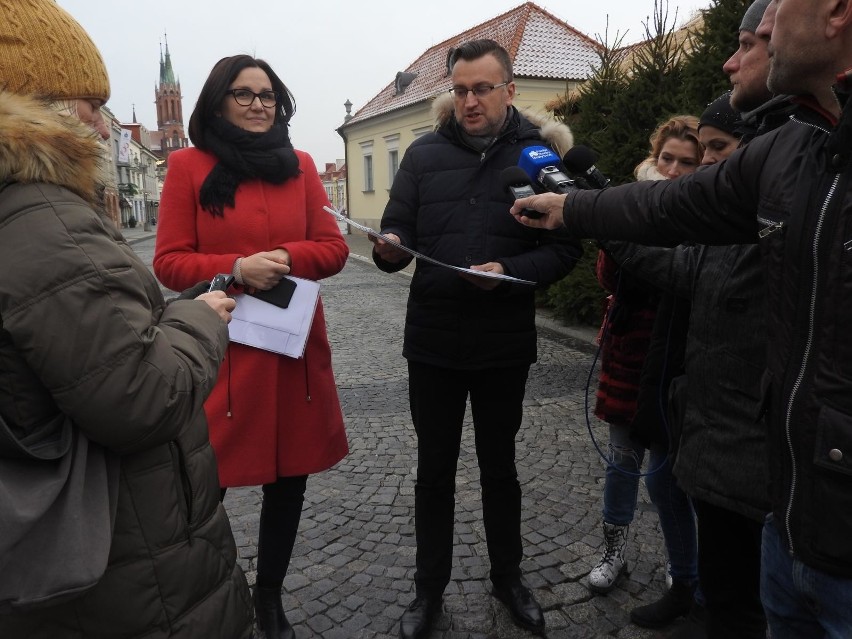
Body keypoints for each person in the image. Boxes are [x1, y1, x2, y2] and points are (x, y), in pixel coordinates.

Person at [510, 1, 852, 635]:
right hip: (790, 520)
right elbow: (667, 208)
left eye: (773, 16)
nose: (758, 38)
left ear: (835, 12)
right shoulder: (793, 148)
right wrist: (575, 208)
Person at [0, 2, 252, 638]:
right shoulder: (44, 222)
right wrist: (197, 318)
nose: (96, 118)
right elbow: (139, 396)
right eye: (90, 99)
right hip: (122, 557)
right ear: (45, 101)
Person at [371, 38, 581, 639]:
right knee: (433, 471)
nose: (468, 101)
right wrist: (388, 246)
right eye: (459, 90)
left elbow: (565, 247)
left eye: (481, 89)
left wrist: (512, 274)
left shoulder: (539, 157)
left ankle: (508, 577)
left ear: (509, 91)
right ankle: (427, 591)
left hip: (502, 343)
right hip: (433, 341)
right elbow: (397, 232)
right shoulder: (422, 155)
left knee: (500, 467)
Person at [153, 54, 349, 639]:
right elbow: (169, 262)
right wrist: (236, 266)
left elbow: (332, 248)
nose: (258, 104)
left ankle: (269, 598)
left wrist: (288, 257)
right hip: (221, 350)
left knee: (288, 482)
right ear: (217, 102)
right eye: (243, 94)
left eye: (268, 95)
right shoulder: (188, 167)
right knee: (204, 484)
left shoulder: (303, 165)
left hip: (291, 350)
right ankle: (210, 594)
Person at [587, 118, 702, 625]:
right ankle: (614, 551)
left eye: (687, 162)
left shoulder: (708, 213)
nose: (673, 170)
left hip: (674, 361)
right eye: (667, 159)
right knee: (620, 461)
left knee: (668, 475)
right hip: (628, 352)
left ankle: (685, 570)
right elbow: (609, 277)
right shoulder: (631, 204)